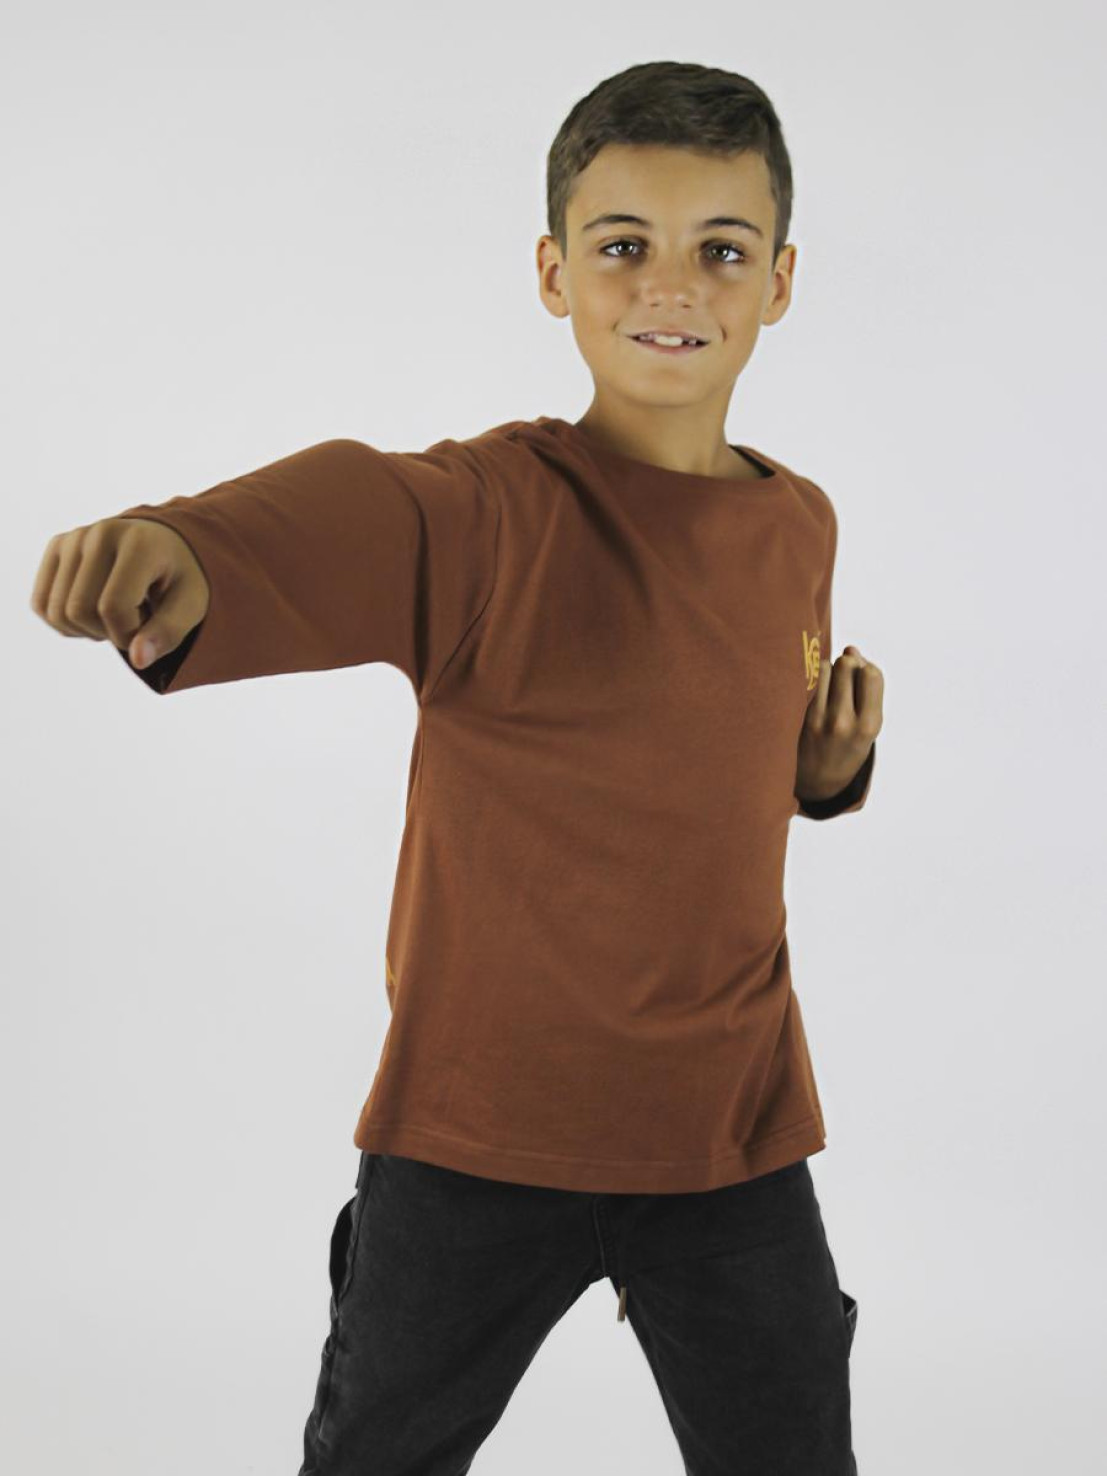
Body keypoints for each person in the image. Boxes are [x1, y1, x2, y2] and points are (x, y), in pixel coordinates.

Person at [30, 58, 883, 1476]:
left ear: (781, 280)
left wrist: (828, 774)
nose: (673, 286)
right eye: (624, 246)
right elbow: (367, 504)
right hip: (473, 1137)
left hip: (727, 1136)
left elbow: (729, 741)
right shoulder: (496, 511)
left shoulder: (804, 523)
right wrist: (187, 547)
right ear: (555, 273)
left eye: (722, 250)